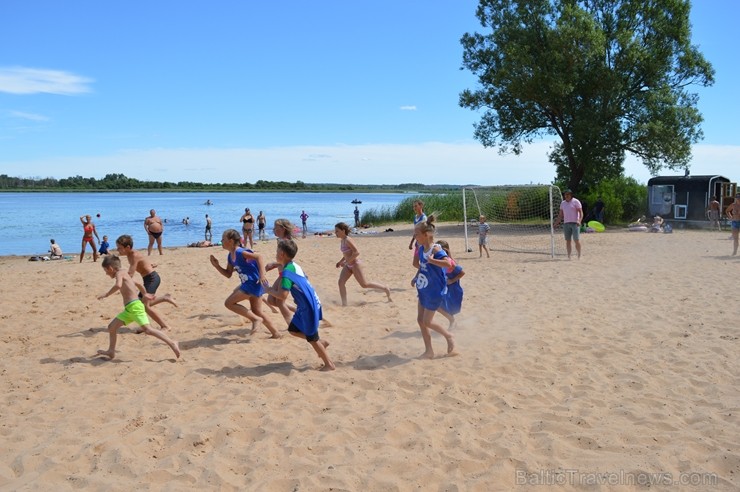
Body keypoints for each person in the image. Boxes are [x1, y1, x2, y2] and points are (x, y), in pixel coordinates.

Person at [266, 238, 334, 371]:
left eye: (277, 251)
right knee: (293, 330)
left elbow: (282, 297)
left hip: (308, 307)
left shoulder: (286, 273)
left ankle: (329, 364)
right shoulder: (294, 265)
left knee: (312, 338)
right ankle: (322, 342)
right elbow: (305, 279)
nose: (275, 253)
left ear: (282, 254)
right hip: (310, 302)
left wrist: (267, 289)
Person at [96, 255, 180, 360]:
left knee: (148, 330)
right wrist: (145, 294)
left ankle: (172, 343)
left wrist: (106, 294)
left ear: (110, 268)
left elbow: (118, 285)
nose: (106, 273)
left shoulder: (119, 274)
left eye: (106, 271)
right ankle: (111, 351)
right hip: (129, 310)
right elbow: (139, 283)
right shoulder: (124, 273)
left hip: (135, 307)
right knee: (111, 327)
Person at [209, 229, 281, 338]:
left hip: (253, 282)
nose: (221, 241)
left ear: (231, 241)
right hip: (252, 284)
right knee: (257, 311)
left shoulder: (239, 252)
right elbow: (228, 274)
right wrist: (217, 266)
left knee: (229, 303)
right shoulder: (230, 256)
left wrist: (262, 275)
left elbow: (259, 257)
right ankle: (276, 333)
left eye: (223, 239)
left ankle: (255, 320)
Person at [412, 215, 457, 359]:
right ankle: (429, 351)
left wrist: (433, 261)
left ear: (426, 235)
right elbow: (421, 265)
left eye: (416, 234)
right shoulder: (420, 247)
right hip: (424, 287)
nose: (414, 236)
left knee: (427, 321)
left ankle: (448, 335)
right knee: (420, 320)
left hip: (434, 290)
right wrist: (416, 275)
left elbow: (449, 264)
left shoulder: (436, 249)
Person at [115, 234, 177, 331]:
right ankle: (146, 325)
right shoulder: (130, 254)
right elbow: (143, 262)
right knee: (140, 305)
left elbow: (130, 273)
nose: (117, 250)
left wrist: (121, 281)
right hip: (148, 279)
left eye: (119, 248)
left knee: (145, 306)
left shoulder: (134, 255)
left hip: (152, 279)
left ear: (127, 247)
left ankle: (165, 326)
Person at [334, 222, 392, 306]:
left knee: (364, 284)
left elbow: (356, 252)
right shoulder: (342, 240)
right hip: (348, 265)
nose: (335, 233)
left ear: (343, 231)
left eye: (337, 231)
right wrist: (341, 261)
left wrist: (346, 262)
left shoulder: (347, 240)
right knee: (341, 282)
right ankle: (344, 304)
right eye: (335, 231)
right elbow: (346, 254)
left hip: (355, 265)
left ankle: (385, 288)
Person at [554, 189, 583, 259]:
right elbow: (560, 215)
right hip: (566, 223)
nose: (566, 196)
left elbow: (581, 212)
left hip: (575, 223)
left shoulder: (576, 201)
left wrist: (579, 220)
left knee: (576, 240)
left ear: (571, 195)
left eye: (568, 194)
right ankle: (569, 256)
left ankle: (579, 254)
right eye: (565, 194)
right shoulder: (563, 203)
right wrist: (556, 223)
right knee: (568, 240)